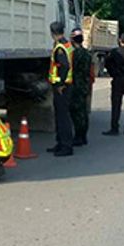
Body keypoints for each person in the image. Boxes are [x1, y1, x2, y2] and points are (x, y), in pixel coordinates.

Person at [46, 22, 75, 156]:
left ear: (52, 33)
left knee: (63, 117)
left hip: (62, 87)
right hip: (65, 85)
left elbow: (64, 66)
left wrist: (61, 84)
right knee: (60, 116)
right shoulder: (67, 44)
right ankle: (60, 143)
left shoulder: (60, 48)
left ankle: (66, 146)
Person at [69, 28, 92, 146]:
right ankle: (83, 136)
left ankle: (78, 137)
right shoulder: (87, 53)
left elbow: (71, 69)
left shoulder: (75, 54)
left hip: (76, 85)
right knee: (83, 111)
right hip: (84, 84)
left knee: (76, 112)